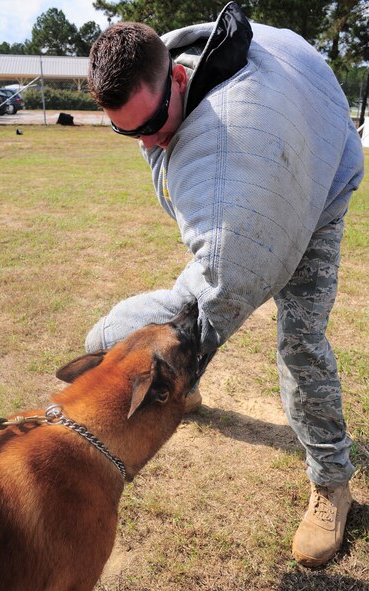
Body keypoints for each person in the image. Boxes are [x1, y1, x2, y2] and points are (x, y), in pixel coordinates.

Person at [86, 1, 364, 568]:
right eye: (126, 131)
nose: (147, 143)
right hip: (266, 169)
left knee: (298, 339)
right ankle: (185, 383)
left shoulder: (239, 128)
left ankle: (332, 481)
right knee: (202, 298)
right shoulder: (171, 100)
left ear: (179, 78)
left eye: (150, 125)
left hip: (319, 186)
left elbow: (221, 288)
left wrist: (107, 341)